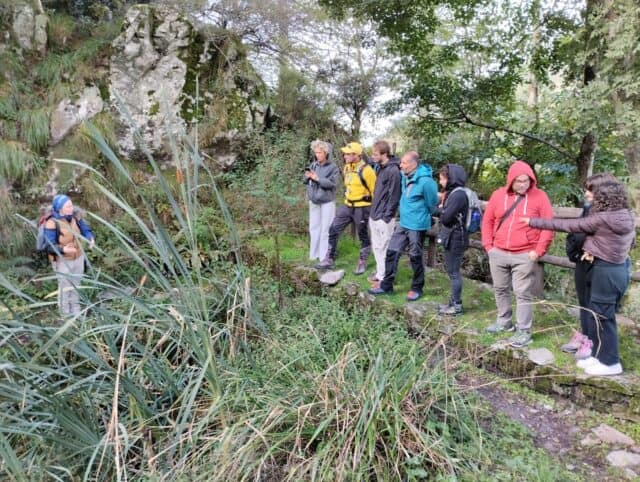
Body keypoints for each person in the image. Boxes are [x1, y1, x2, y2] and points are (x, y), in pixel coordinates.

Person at [523, 178, 636, 376]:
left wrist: (532, 221)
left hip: (606, 271)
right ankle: (598, 357)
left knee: (602, 317)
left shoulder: (603, 218)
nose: (588, 195)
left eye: (594, 192)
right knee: (597, 314)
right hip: (613, 269)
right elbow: (608, 240)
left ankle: (610, 362)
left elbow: (571, 226)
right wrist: (592, 249)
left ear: (604, 197)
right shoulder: (624, 215)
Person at [481, 160, 554, 348]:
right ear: (510, 180)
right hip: (498, 251)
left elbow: (548, 225)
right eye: (519, 181)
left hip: (524, 254)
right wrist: (489, 246)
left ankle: (524, 331)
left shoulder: (540, 197)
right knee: (500, 288)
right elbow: (487, 221)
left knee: (522, 292)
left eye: (526, 180)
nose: (523, 184)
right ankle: (504, 322)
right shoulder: (498, 196)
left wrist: (538, 251)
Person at [368, 151, 438, 301]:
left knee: (415, 256)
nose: (401, 165)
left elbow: (432, 204)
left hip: (417, 226)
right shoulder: (405, 177)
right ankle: (387, 285)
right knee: (392, 251)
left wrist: (424, 217)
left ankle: (417, 288)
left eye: (404, 163)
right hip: (403, 222)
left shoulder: (426, 182)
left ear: (413, 164)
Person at [562, 173, 615, 359]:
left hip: (602, 267)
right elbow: (576, 232)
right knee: (584, 303)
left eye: (590, 190)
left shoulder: (616, 214)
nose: (586, 193)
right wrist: (575, 253)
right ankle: (585, 337)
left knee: (597, 307)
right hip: (582, 263)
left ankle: (596, 346)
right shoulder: (588, 208)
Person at [316, 141, 376, 275]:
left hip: (362, 207)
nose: (345, 156)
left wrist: (373, 210)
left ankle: (362, 261)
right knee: (333, 229)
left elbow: (375, 191)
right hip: (347, 205)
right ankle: (329, 258)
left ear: (356, 155)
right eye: (345, 154)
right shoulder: (347, 167)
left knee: (363, 234)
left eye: (348, 154)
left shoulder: (368, 171)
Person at [43, 194, 95, 316]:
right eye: (68, 206)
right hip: (62, 261)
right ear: (60, 208)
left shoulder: (75, 217)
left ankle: (76, 313)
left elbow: (85, 229)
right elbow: (49, 246)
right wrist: (63, 250)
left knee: (76, 286)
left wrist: (90, 238)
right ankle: (65, 315)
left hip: (78, 257)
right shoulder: (52, 223)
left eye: (71, 205)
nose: (71, 207)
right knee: (65, 289)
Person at [433, 164, 469, 315]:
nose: (440, 182)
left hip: (456, 237)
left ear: (451, 178)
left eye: (442, 179)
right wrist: (442, 211)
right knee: (451, 271)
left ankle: (457, 306)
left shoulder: (458, 195)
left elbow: (447, 218)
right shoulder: (453, 193)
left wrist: (438, 210)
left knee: (454, 272)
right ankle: (452, 303)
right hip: (453, 236)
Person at [367, 140, 401, 283]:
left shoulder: (393, 171)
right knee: (377, 247)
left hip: (384, 217)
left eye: (375, 154)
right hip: (374, 214)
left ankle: (386, 278)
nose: (372, 156)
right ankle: (380, 274)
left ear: (384, 154)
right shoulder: (380, 167)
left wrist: (386, 216)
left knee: (385, 247)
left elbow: (394, 195)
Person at [304, 140, 339, 262]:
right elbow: (306, 181)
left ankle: (324, 256)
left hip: (327, 201)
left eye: (320, 152)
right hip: (314, 200)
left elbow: (332, 184)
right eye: (316, 152)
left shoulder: (333, 167)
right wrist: (307, 176)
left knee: (326, 228)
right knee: (314, 228)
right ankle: (313, 255)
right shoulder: (313, 165)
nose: (317, 155)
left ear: (326, 153)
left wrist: (318, 178)